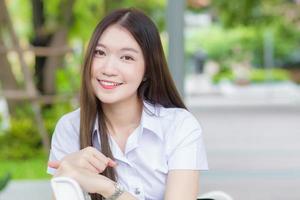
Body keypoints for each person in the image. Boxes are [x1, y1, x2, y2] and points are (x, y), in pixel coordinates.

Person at [47, 8, 208, 200]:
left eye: (127, 57)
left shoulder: (179, 126)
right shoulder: (70, 127)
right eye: (100, 52)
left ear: (148, 70)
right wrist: (68, 176)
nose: (108, 68)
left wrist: (105, 187)